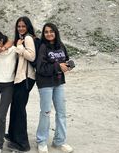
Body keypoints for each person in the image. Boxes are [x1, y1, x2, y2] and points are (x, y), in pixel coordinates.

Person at [35, 23, 73, 153]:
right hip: (45, 83)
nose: (49, 34)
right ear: (43, 34)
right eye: (46, 32)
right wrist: (58, 66)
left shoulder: (61, 46)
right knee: (46, 112)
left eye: (51, 31)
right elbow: (40, 68)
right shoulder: (43, 47)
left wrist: (68, 66)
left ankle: (59, 141)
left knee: (61, 113)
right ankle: (41, 141)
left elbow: (65, 60)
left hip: (59, 82)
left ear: (55, 32)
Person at [6, 16, 36, 152]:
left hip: (26, 78)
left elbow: (31, 56)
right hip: (19, 78)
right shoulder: (21, 38)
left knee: (19, 110)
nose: (21, 28)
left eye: (23, 26)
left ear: (28, 27)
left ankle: (23, 144)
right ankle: (12, 136)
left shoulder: (28, 38)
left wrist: (18, 47)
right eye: (19, 26)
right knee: (15, 107)